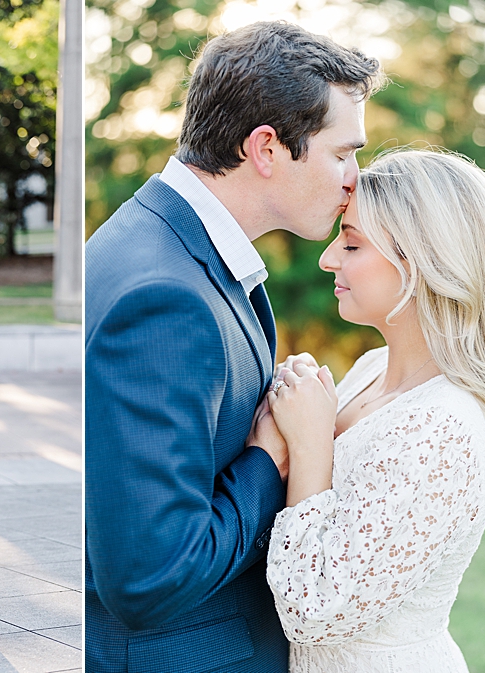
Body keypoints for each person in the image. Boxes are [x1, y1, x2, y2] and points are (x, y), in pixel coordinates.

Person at [85, 21, 383, 672]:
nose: (353, 180)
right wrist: (271, 456)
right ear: (267, 148)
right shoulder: (165, 297)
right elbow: (149, 575)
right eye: (342, 153)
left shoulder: (172, 250)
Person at [263, 148, 485, 672]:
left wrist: (312, 440)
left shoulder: (444, 428)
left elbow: (313, 610)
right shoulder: (371, 367)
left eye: (352, 244)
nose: (327, 259)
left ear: (421, 260)